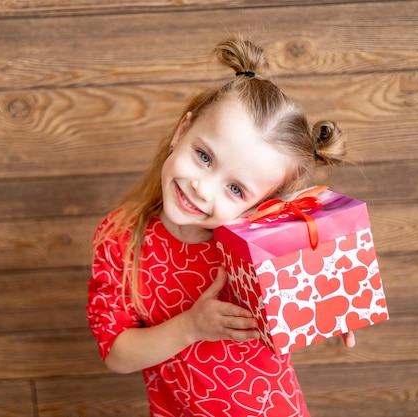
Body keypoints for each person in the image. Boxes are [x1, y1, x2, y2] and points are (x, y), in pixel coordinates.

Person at [86, 34, 354, 417]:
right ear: (182, 131)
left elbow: (324, 283)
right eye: (203, 156)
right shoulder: (121, 237)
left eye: (235, 189)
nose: (202, 187)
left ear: (262, 204)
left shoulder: (262, 248)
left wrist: (336, 305)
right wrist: (190, 327)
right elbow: (117, 354)